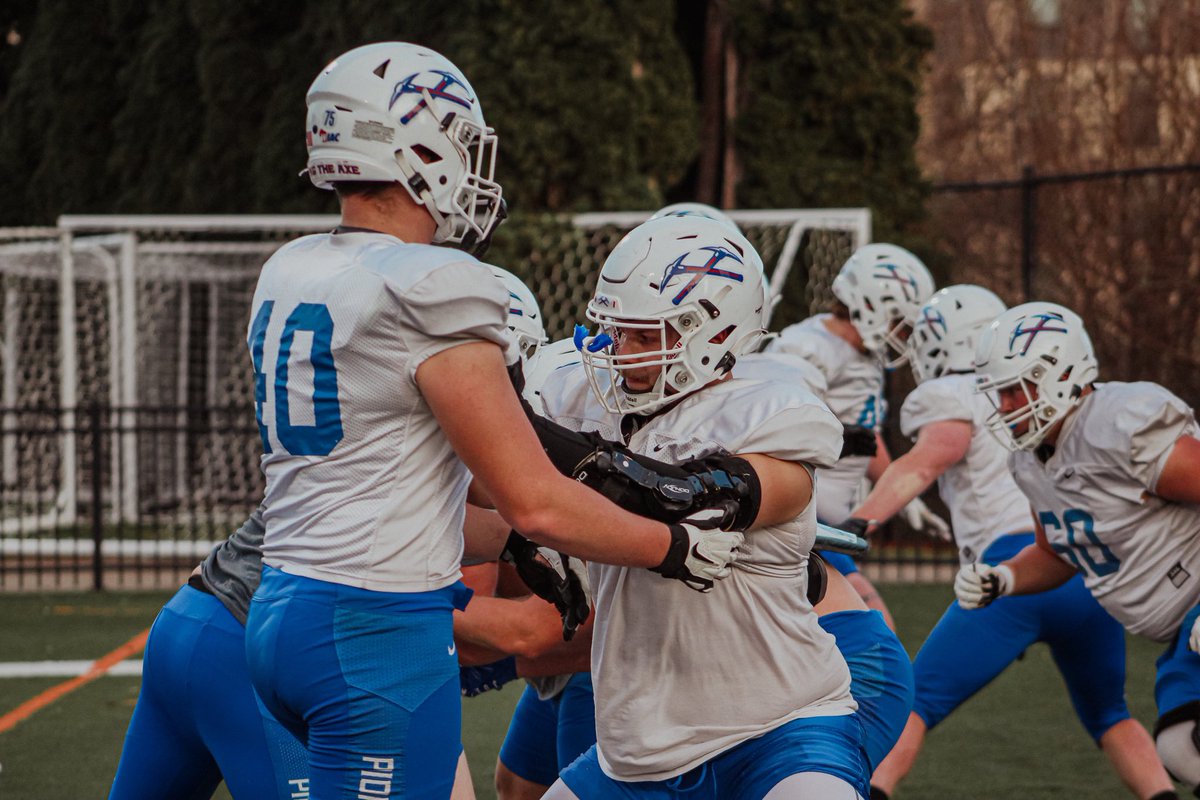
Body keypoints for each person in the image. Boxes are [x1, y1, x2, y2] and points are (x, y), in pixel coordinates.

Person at [242, 42, 743, 799]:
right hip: (375, 633)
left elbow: (415, 478)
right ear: (416, 144)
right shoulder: (434, 282)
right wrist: (670, 546)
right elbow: (529, 492)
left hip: (281, 611)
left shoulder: (293, 266)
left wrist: (519, 538)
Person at [536, 213, 870, 799]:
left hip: (780, 727)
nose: (620, 352)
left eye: (644, 336)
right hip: (641, 748)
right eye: (617, 332)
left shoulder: (771, 411)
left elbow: (677, 494)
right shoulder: (590, 399)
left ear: (714, 333)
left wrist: (526, 436)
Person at [838, 287, 1169, 800]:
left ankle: (870, 792)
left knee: (916, 703)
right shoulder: (1039, 401)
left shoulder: (955, 397)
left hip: (1012, 575)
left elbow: (927, 460)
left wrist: (860, 520)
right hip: (1081, 574)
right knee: (1111, 715)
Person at [956, 300, 1200, 799]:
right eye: (999, 393)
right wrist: (1004, 579)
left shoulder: (1120, 423)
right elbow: (1059, 551)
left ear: (1059, 373)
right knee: (1182, 746)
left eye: (1012, 389)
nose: (1003, 406)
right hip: (1182, 632)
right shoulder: (1030, 462)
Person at [766, 243, 939, 625]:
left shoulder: (865, 355)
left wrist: (901, 494)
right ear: (872, 305)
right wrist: (843, 439)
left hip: (828, 521)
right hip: (802, 515)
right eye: (899, 320)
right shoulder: (806, 347)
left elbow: (866, 435)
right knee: (874, 630)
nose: (903, 333)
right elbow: (778, 432)